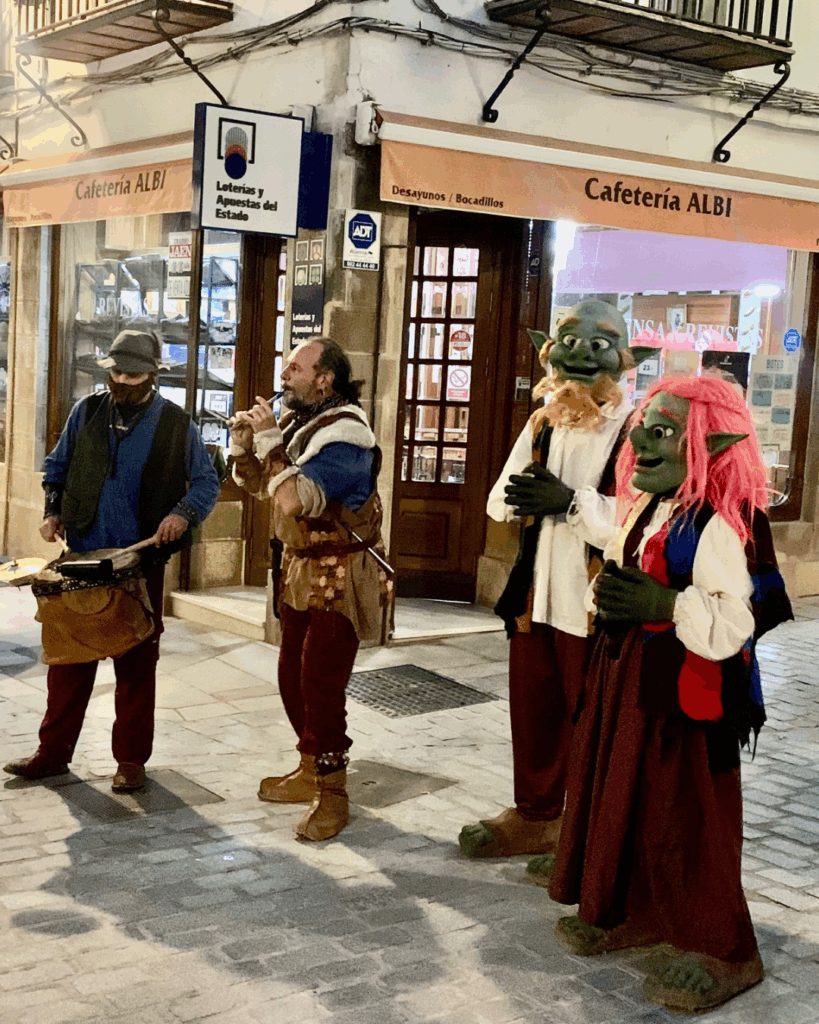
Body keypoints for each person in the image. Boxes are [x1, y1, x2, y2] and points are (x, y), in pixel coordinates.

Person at [547, 376, 792, 1012]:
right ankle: (639, 911)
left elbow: (735, 622)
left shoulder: (714, 526)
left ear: (711, 444)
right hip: (626, 680)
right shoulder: (644, 509)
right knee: (625, 798)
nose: (645, 441)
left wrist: (664, 603)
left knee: (688, 814)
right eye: (644, 429)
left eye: (665, 432)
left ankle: (725, 948)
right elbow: (619, 565)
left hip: (684, 697)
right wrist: (605, 597)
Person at [459, 300, 658, 858]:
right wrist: (524, 496)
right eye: (568, 341)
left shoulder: (639, 428)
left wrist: (571, 503)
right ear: (549, 351)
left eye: (598, 344)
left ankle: (591, 834)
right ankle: (538, 814)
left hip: (593, 604)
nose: (580, 355)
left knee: (597, 721)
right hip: (535, 597)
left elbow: (640, 520)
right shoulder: (543, 418)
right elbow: (500, 499)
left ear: (624, 360)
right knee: (535, 710)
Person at [3, 330, 220, 792]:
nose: (122, 381)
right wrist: (52, 510)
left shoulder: (176, 425)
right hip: (82, 558)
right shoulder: (87, 412)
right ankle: (52, 754)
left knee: (136, 667)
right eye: (116, 372)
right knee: (68, 663)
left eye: (133, 374)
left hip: (139, 563)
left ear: (153, 376)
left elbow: (206, 483)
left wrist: (182, 514)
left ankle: (131, 762)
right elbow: (56, 468)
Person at [229, 337, 391, 842]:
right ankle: (306, 770)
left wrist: (272, 441)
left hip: (339, 575)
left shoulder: (346, 434)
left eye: (294, 368)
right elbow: (266, 491)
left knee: (321, 683)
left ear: (324, 379)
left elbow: (297, 500)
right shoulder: (306, 423)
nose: (284, 376)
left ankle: (333, 793)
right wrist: (245, 445)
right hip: (301, 568)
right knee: (291, 674)